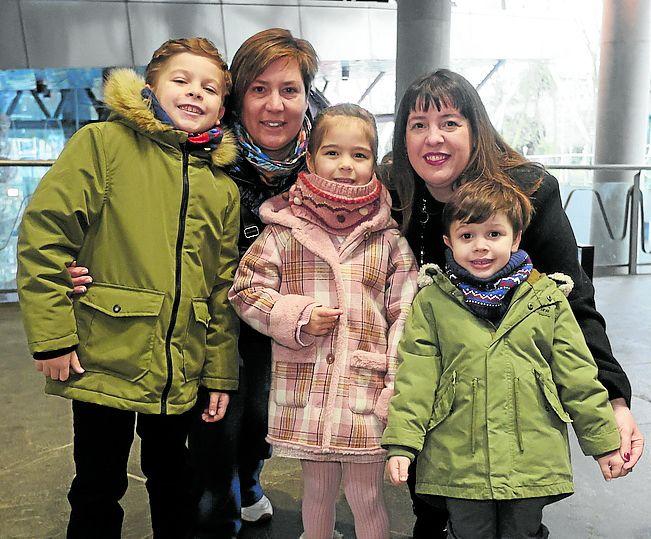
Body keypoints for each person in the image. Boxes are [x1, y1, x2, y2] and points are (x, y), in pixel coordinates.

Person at [384, 69, 644, 537]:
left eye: (450, 121)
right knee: (436, 513)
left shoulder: (529, 194)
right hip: (439, 399)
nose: (433, 137)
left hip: (513, 409)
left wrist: (615, 401)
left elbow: (576, 304)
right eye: (417, 124)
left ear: (475, 128)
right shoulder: (395, 194)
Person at [16, 37, 240, 538]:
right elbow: (45, 234)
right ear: (149, 89)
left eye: (209, 88)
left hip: (179, 364)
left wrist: (220, 373)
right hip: (102, 354)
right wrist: (53, 335)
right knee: (98, 482)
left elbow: (222, 287)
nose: (194, 93)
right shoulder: (103, 145)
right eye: (180, 80)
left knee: (174, 480)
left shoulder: (221, 185)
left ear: (221, 106)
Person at [229, 103, 419, 539]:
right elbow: (245, 290)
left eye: (359, 155)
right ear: (310, 159)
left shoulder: (387, 240)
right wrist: (295, 317)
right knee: (316, 492)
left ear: (374, 163)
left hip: (365, 393)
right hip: (306, 391)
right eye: (332, 153)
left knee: (366, 496)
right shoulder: (284, 230)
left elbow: (406, 313)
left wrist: (395, 382)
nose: (346, 166)